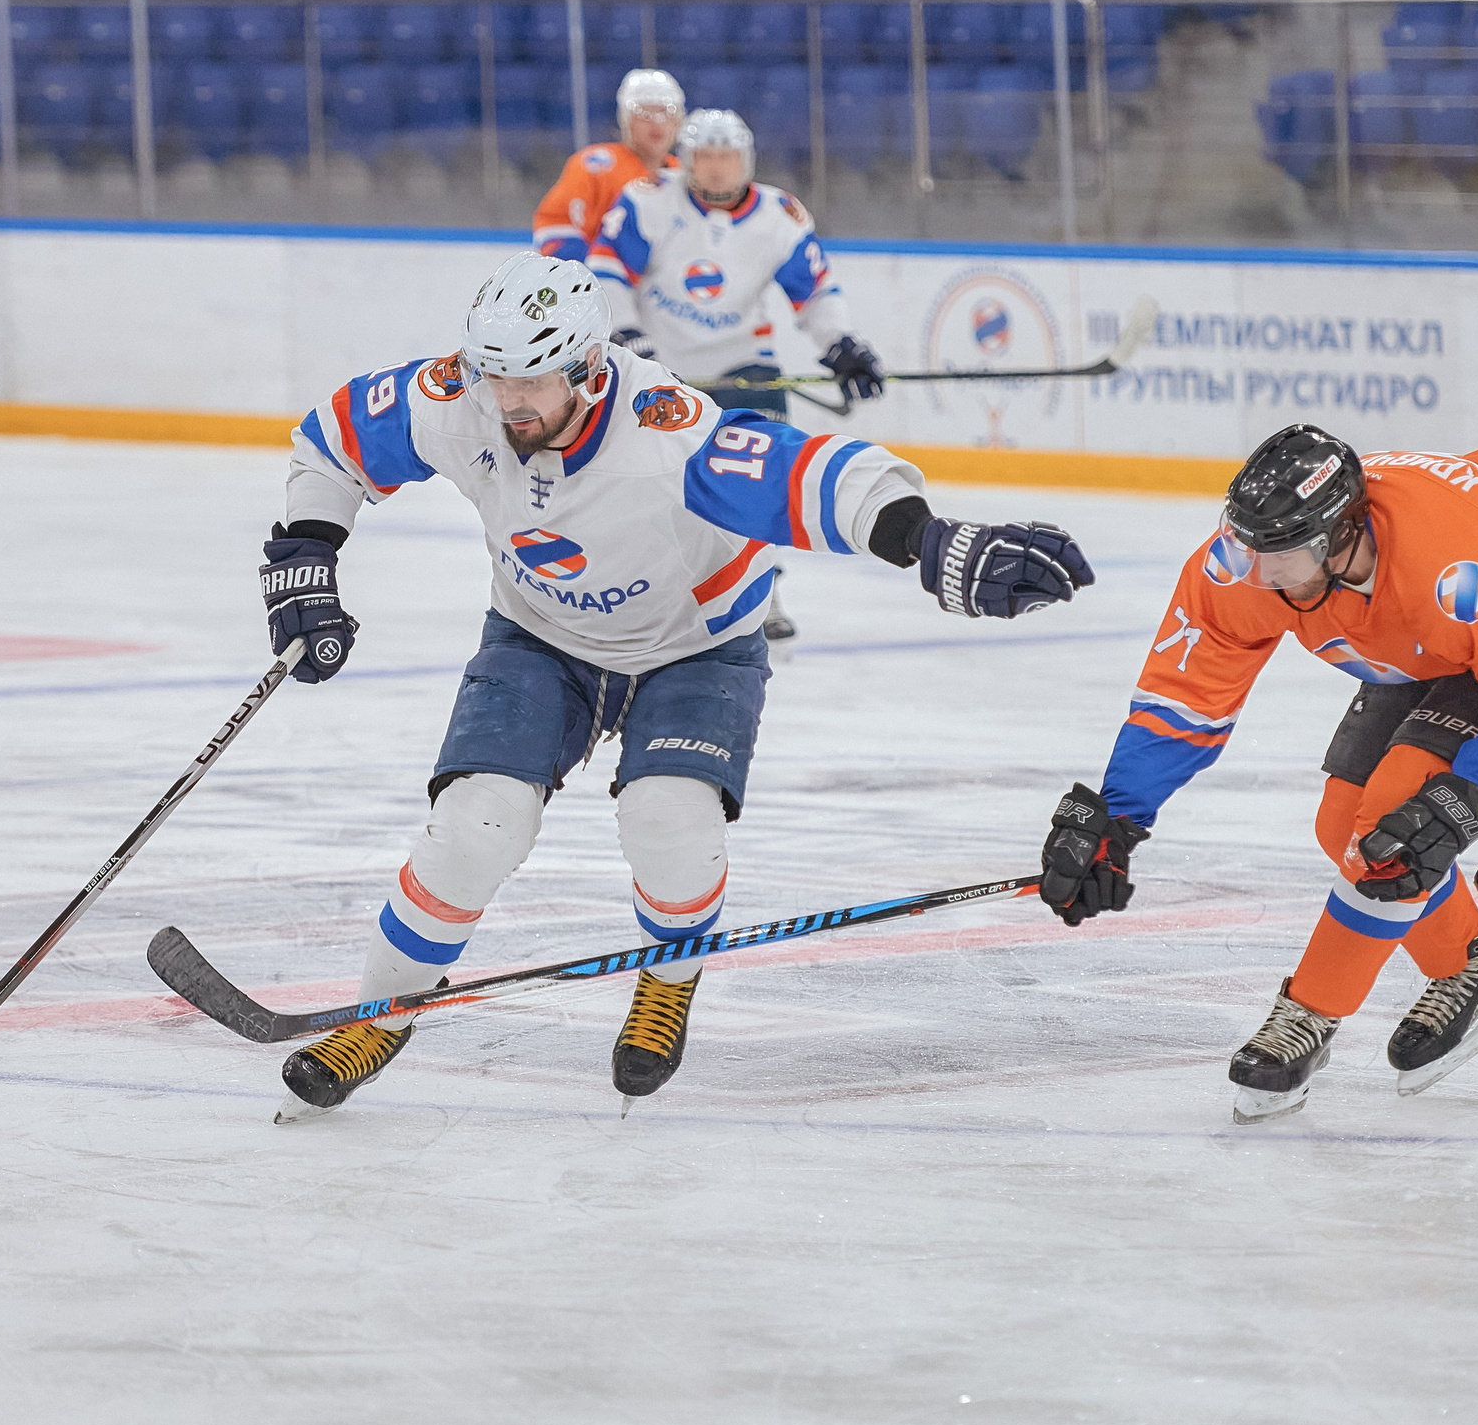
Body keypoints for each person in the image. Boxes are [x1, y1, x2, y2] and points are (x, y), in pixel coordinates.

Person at [260, 251, 1094, 1117]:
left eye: (532, 381)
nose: (508, 401)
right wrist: (305, 554)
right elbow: (336, 441)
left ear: (587, 369)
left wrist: (931, 541)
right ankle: (381, 1014)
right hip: (541, 637)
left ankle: (668, 977)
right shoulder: (461, 397)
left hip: (695, 651)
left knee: (668, 820)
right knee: (473, 824)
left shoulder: (670, 432)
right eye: (494, 374)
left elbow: (812, 474)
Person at [1033, 425, 1478, 1124]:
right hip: (1416, 633)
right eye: (1250, 550)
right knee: (1343, 822)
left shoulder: (1456, 574)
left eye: (1281, 559)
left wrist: (1467, 796)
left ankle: (1306, 1014)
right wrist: (1120, 813)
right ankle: (1473, 960)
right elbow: (1186, 695)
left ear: (1344, 536)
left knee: (1396, 827)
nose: (1260, 577)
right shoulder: (1250, 559)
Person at [586, 108, 886, 648]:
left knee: (761, 475)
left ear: (745, 160)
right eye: (706, 157)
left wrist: (840, 344)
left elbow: (814, 291)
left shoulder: (780, 216)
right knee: (662, 486)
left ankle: (764, 592)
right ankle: (659, 592)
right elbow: (606, 270)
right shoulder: (648, 199)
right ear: (689, 160)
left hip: (745, 362)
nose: (718, 169)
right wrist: (627, 335)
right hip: (661, 368)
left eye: (728, 157)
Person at [530, 69, 686, 263]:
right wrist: (593, 272)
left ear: (678, 122)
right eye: (643, 113)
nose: (656, 123)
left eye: (666, 112)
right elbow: (554, 228)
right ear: (625, 120)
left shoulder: (687, 175)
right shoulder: (595, 165)